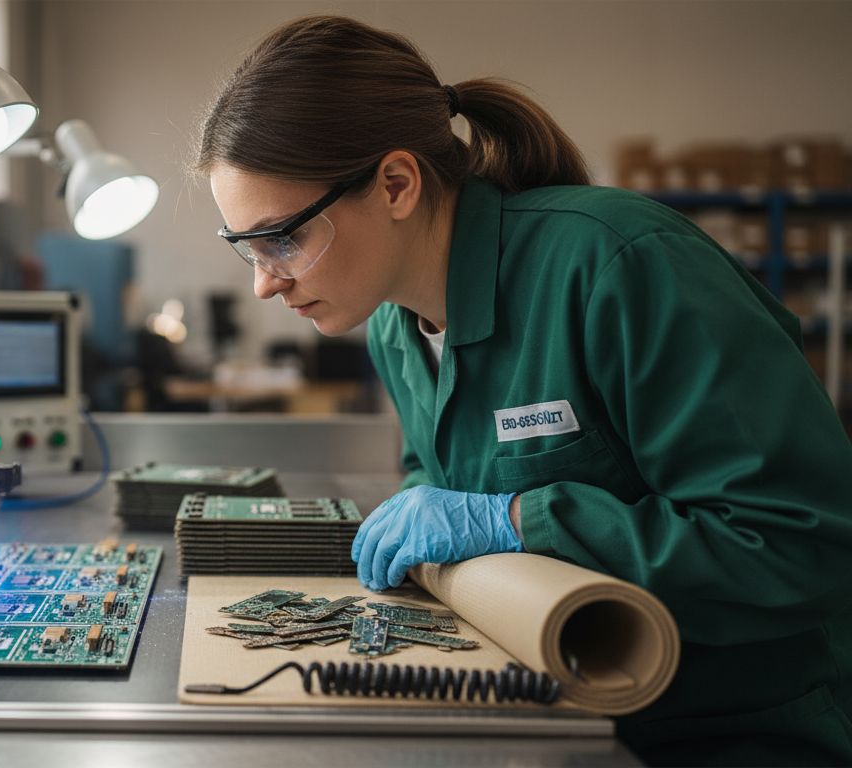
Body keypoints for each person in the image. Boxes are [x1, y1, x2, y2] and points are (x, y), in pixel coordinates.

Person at [194, 14, 852, 766]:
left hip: (737, 732)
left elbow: (801, 544)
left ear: (396, 185)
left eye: (283, 238)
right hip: (552, 712)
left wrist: (516, 519)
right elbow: (437, 488)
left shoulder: (619, 264)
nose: (264, 283)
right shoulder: (393, 329)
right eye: (246, 247)